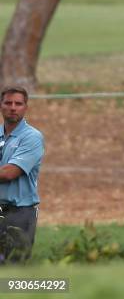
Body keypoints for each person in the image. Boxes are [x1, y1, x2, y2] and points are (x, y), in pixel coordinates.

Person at [0, 86, 44, 262]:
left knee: (14, 272)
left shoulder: (32, 137)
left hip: (19, 214)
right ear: (1, 105)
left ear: (25, 107)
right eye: (8, 103)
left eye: (18, 103)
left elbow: (9, 173)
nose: (12, 107)